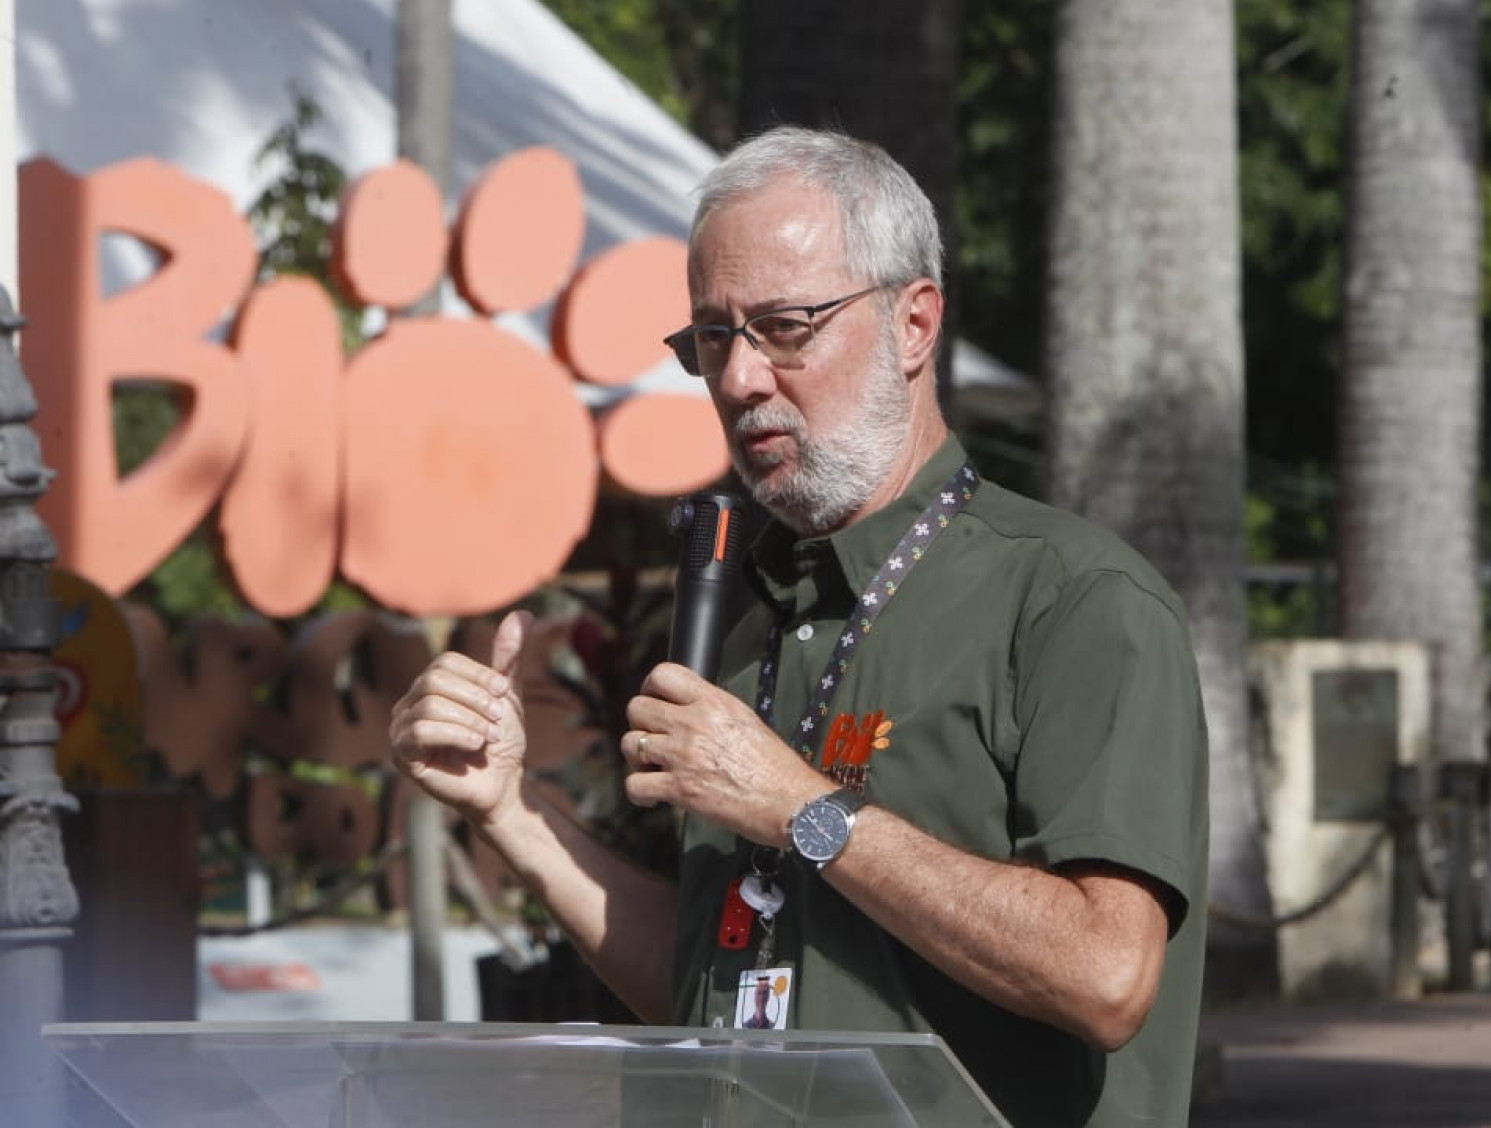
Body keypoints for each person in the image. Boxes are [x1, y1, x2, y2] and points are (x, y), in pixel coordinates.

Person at [389, 127, 1210, 1126]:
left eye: (784, 326)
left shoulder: (1073, 599)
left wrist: (805, 811)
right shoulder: (747, 623)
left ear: (914, 324)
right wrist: (515, 812)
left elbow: (1106, 972)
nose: (737, 379)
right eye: (712, 337)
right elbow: (711, 987)